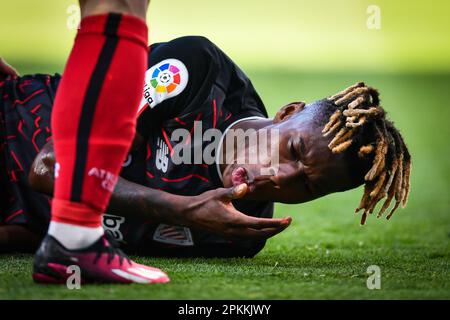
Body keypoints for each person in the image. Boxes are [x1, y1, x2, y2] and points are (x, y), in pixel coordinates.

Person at [0, 36, 410, 271]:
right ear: (287, 113)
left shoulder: (237, 237)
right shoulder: (196, 74)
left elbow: (69, 234)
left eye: (307, 184)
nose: (281, 177)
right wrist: (180, 209)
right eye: (294, 148)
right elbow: (51, 167)